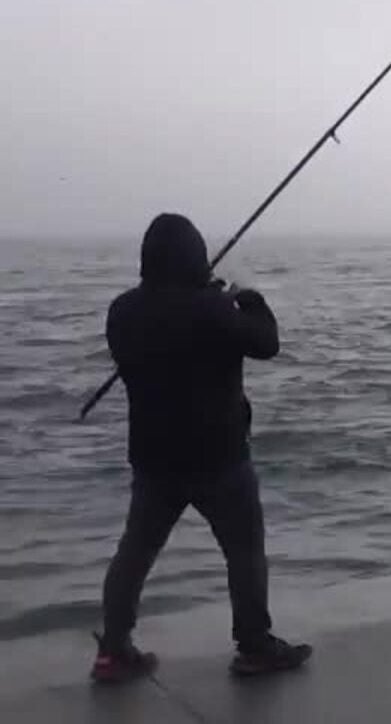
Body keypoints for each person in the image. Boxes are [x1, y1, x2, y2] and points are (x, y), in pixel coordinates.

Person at [91, 213, 312, 683]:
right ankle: (254, 646)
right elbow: (266, 343)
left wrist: (211, 300)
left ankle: (112, 650)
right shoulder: (213, 309)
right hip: (219, 459)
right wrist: (248, 298)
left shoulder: (122, 311)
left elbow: (167, 328)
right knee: (244, 551)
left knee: (135, 552)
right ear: (195, 256)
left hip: (153, 461)